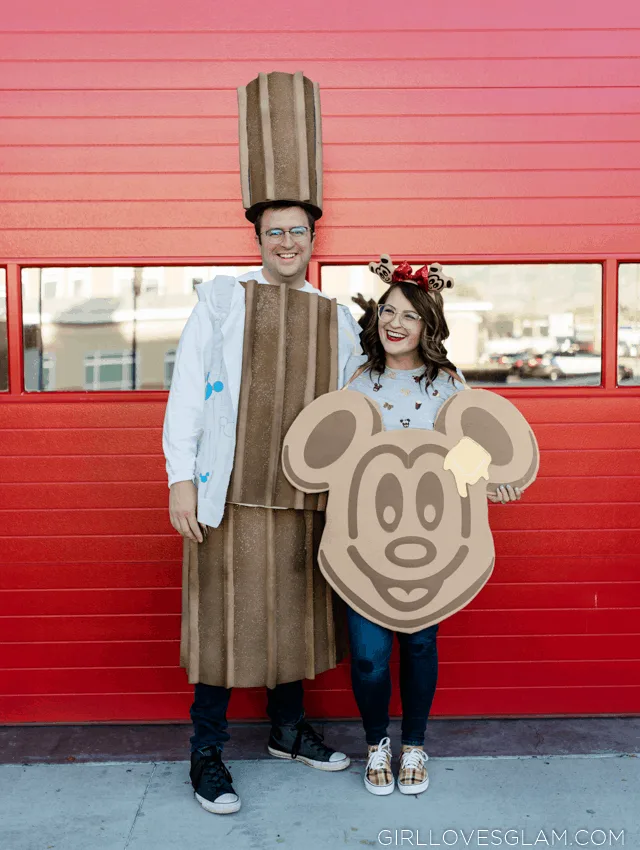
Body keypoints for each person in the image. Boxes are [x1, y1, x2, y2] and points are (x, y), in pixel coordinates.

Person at [163, 201, 362, 814]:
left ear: (311, 238)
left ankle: (287, 729)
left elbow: (360, 404)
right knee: (219, 622)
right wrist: (180, 479)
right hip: (227, 492)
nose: (285, 241)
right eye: (273, 231)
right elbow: (189, 389)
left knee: (293, 616)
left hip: (304, 496)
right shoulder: (222, 301)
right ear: (257, 238)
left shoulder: (338, 319)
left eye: (296, 231)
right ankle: (207, 751)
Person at [342, 265, 521, 797]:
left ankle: (414, 744)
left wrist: (489, 479)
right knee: (369, 653)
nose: (396, 323)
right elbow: (335, 449)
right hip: (364, 535)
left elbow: (463, 449)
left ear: (428, 327)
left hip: (430, 537)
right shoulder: (355, 377)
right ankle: (377, 744)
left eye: (411, 316)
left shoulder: (447, 385)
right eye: (389, 311)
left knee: (419, 643)